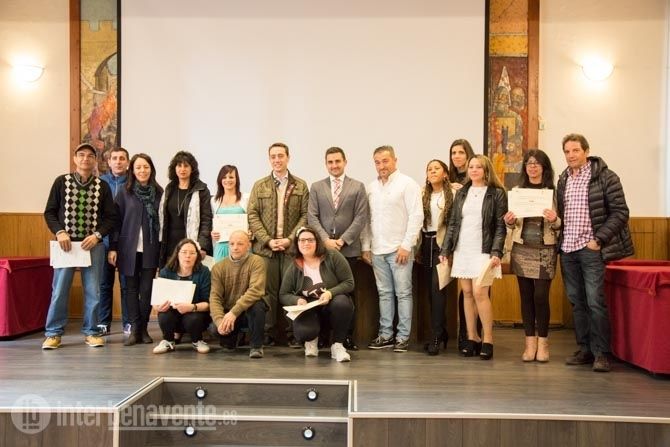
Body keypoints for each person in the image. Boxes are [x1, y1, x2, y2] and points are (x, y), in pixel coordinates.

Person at [557, 133, 633, 373]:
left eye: (575, 150)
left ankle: (601, 354)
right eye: (567, 151)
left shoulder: (606, 177)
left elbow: (621, 212)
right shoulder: (563, 179)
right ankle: (585, 350)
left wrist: (598, 240)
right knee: (577, 302)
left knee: (595, 302)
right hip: (567, 249)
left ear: (586, 151)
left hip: (591, 249)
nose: (571, 155)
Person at [42, 143, 118, 349]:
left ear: (95, 161)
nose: (86, 159)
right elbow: (49, 212)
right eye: (81, 155)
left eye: (90, 156)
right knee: (59, 290)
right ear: (75, 159)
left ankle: (92, 331)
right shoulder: (61, 182)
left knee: (94, 291)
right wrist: (60, 232)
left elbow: (111, 218)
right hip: (65, 246)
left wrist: (97, 235)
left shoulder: (102, 186)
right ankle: (53, 333)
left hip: (92, 246)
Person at [440, 155, 507, 360]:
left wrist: (496, 252)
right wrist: (445, 250)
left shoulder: (497, 193)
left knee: (480, 293)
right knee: (467, 293)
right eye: (471, 167)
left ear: (486, 170)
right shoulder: (462, 193)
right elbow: (453, 223)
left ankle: (488, 339)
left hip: (484, 250)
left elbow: (500, 226)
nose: (474, 170)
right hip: (463, 249)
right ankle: (472, 337)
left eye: (479, 167)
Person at [362, 145, 423, 353]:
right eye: (377, 162)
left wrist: (407, 245)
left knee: (403, 293)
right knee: (384, 294)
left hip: (400, 250)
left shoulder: (408, 184)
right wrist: (366, 246)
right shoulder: (371, 187)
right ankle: (386, 335)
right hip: (378, 250)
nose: (381, 166)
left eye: (385, 161)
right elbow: (367, 220)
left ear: (395, 160)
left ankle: (403, 337)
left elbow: (416, 216)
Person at [247, 142, 309, 346]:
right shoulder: (260, 185)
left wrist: (290, 239)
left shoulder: (300, 185)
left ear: (288, 158)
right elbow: (252, 215)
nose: (277, 160)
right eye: (273, 156)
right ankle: (268, 334)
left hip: (291, 249)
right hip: (265, 250)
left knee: (292, 291)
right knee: (267, 293)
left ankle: (294, 334)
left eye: (280, 156)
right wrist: (268, 240)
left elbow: (305, 215)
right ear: (269, 159)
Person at [307, 147, 369, 350]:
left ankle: (346, 337)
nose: (334, 165)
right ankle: (324, 335)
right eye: (330, 162)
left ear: (345, 162)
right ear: (326, 164)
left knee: (347, 293)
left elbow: (361, 217)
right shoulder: (317, 187)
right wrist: (325, 240)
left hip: (348, 250)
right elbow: (312, 217)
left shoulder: (357, 186)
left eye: (337, 161)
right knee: (321, 293)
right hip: (322, 251)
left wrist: (342, 241)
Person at [503, 150, 560, 362]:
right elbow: (512, 224)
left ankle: (543, 342)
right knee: (526, 296)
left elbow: (561, 224)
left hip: (545, 249)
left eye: (537, 163)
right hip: (522, 248)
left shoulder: (554, 192)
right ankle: (529, 343)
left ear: (544, 167)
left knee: (541, 296)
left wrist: (555, 220)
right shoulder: (517, 192)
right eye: (529, 163)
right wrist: (509, 221)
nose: (533, 167)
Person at [108, 153, 163, 346]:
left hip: (151, 248)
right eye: (138, 167)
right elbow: (115, 223)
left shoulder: (159, 192)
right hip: (127, 249)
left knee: (146, 290)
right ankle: (134, 329)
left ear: (151, 169)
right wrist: (113, 247)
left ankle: (144, 329)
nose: (142, 170)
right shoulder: (124, 192)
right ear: (132, 170)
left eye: (146, 167)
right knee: (130, 290)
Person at [279, 227, 354, 362]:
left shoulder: (333, 256)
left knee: (342, 303)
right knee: (304, 333)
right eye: (302, 240)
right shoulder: (294, 265)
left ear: (317, 242)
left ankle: (337, 345)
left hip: (331, 304)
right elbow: (283, 294)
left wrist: (330, 293)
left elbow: (349, 282)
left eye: (310, 240)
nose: (306, 243)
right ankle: (311, 340)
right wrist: (297, 300)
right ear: (297, 243)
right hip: (309, 308)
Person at [209, 230, 267, 359]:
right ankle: (233, 337)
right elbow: (215, 297)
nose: (235, 247)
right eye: (232, 244)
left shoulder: (256, 261)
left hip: (247, 311)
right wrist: (219, 321)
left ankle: (256, 346)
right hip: (229, 311)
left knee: (258, 306)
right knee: (215, 330)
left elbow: (255, 290)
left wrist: (234, 313)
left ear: (249, 245)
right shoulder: (218, 267)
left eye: (240, 244)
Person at [447, 138, 481, 352]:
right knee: (465, 292)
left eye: (461, 152)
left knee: (479, 291)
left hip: (477, 243)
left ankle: (479, 334)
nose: (457, 156)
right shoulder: (447, 178)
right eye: (453, 153)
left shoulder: (477, 179)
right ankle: (466, 335)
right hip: (457, 241)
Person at [417, 159, 453, 355]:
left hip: (442, 246)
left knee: (437, 290)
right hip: (425, 244)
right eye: (429, 169)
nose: (432, 171)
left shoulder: (453, 193)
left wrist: (448, 249)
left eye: (436, 168)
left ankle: (437, 336)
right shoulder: (422, 193)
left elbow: (454, 223)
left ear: (445, 173)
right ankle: (441, 331)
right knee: (430, 293)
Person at [153, 239, 212, 354]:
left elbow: (208, 303)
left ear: (197, 256)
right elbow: (156, 302)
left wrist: (192, 307)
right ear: (177, 254)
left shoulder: (204, 272)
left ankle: (197, 340)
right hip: (172, 313)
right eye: (184, 252)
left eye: (192, 253)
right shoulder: (166, 271)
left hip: (195, 313)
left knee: (194, 318)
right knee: (164, 315)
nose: (188, 256)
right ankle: (168, 341)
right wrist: (158, 307)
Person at [158, 151, 213, 266]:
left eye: (186, 166)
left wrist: (202, 246)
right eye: (179, 165)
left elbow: (206, 220)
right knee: (170, 276)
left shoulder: (201, 190)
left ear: (192, 169)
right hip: (169, 246)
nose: (182, 169)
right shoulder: (169, 188)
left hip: (191, 246)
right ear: (174, 168)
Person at [98, 147, 130, 335]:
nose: (118, 161)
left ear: (127, 162)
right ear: (109, 162)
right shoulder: (100, 182)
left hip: (126, 242)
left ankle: (128, 322)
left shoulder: (132, 182)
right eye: (114, 158)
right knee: (104, 284)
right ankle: (103, 322)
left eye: (122, 158)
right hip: (103, 241)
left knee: (126, 285)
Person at [211, 165, 248, 263]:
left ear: (236, 179)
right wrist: (213, 233)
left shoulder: (245, 198)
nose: (228, 180)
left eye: (231, 177)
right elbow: (211, 223)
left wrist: (250, 232)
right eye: (224, 177)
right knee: (220, 272)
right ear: (220, 180)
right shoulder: (214, 200)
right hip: (221, 247)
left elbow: (251, 221)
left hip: (241, 247)